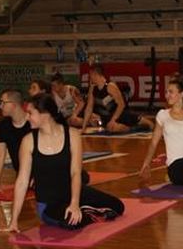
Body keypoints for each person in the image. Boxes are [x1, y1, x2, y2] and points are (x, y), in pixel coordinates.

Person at [10, 94, 124, 232]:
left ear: (45, 114)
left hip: (75, 194)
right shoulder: (28, 141)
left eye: (30, 113)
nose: (27, 117)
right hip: (49, 205)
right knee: (72, 222)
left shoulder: (73, 135)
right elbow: (22, 181)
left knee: (118, 206)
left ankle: (83, 209)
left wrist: (74, 204)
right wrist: (14, 220)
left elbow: (76, 173)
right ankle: (87, 213)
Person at [80, 65, 154, 133]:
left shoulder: (110, 86)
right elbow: (89, 108)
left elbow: (121, 105)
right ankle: (132, 129)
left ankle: (136, 128)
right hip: (107, 117)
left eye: (90, 75)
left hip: (122, 115)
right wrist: (83, 128)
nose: (89, 77)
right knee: (111, 128)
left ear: (95, 74)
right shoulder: (92, 89)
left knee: (151, 125)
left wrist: (113, 120)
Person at [0, 89, 32, 196]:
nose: (0, 106)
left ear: (13, 105)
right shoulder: (4, 125)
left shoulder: (33, 122)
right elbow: (1, 153)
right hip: (22, 172)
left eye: (3, 103)